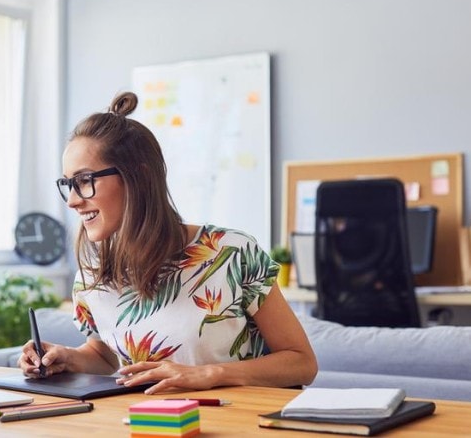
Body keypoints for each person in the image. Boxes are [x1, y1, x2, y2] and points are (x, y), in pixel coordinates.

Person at [19, 91, 317, 395]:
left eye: (84, 181)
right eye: (68, 184)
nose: (71, 201)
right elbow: (106, 354)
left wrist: (210, 374)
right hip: (147, 422)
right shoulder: (92, 273)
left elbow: (302, 362)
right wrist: (69, 358)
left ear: (139, 177)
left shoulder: (232, 254)